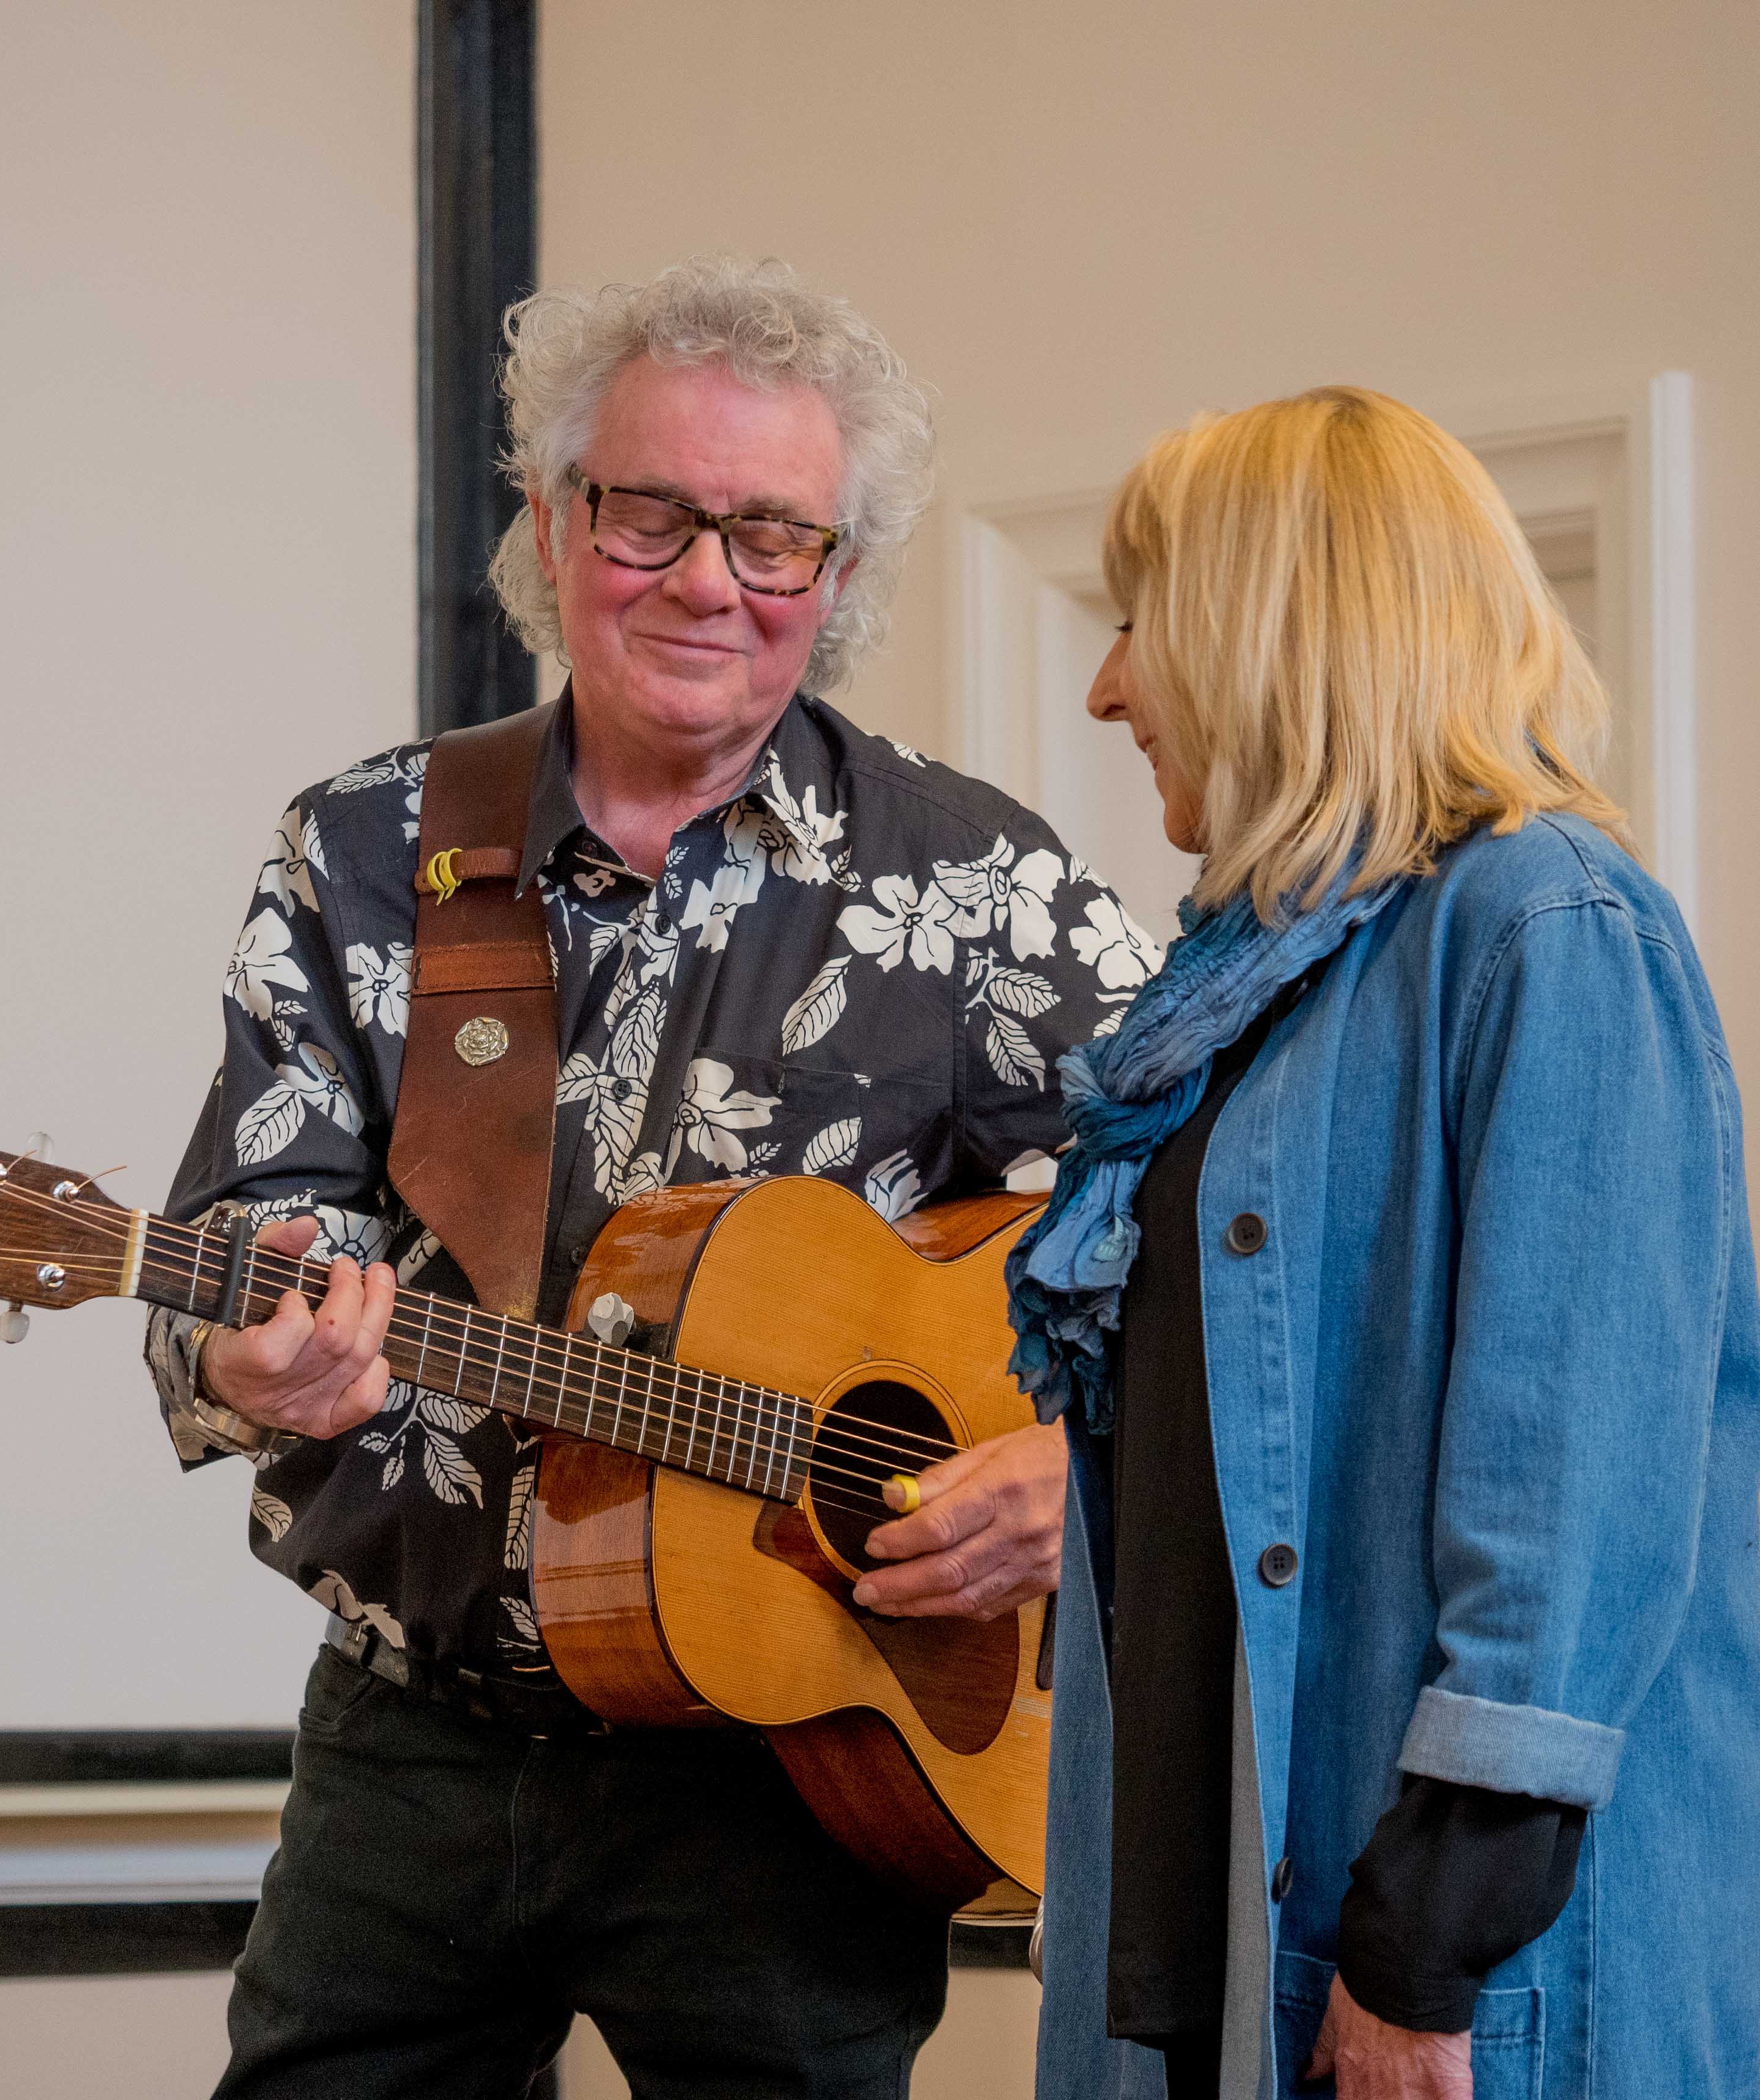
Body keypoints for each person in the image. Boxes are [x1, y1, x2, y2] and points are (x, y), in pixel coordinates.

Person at [142, 255, 1157, 2099]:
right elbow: (246, 1223)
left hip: (798, 1777)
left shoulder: (977, 888)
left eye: (774, 535)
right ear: (554, 522)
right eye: (651, 515)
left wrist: (1080, 1467)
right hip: (415, 1745)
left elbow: (1221, 1236)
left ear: (836, 576)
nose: (708, 580)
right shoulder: (371, 850)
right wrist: (243, 1352)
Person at [1012, 386, 1760, 2099]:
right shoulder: (1246, 993)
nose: (1106, 687)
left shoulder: (1550, 925)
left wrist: (1422, 1952)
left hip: (1446, 1974)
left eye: (1140, 621)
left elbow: (1572, 1508)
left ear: (1271, 628)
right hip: (1221, 1934)